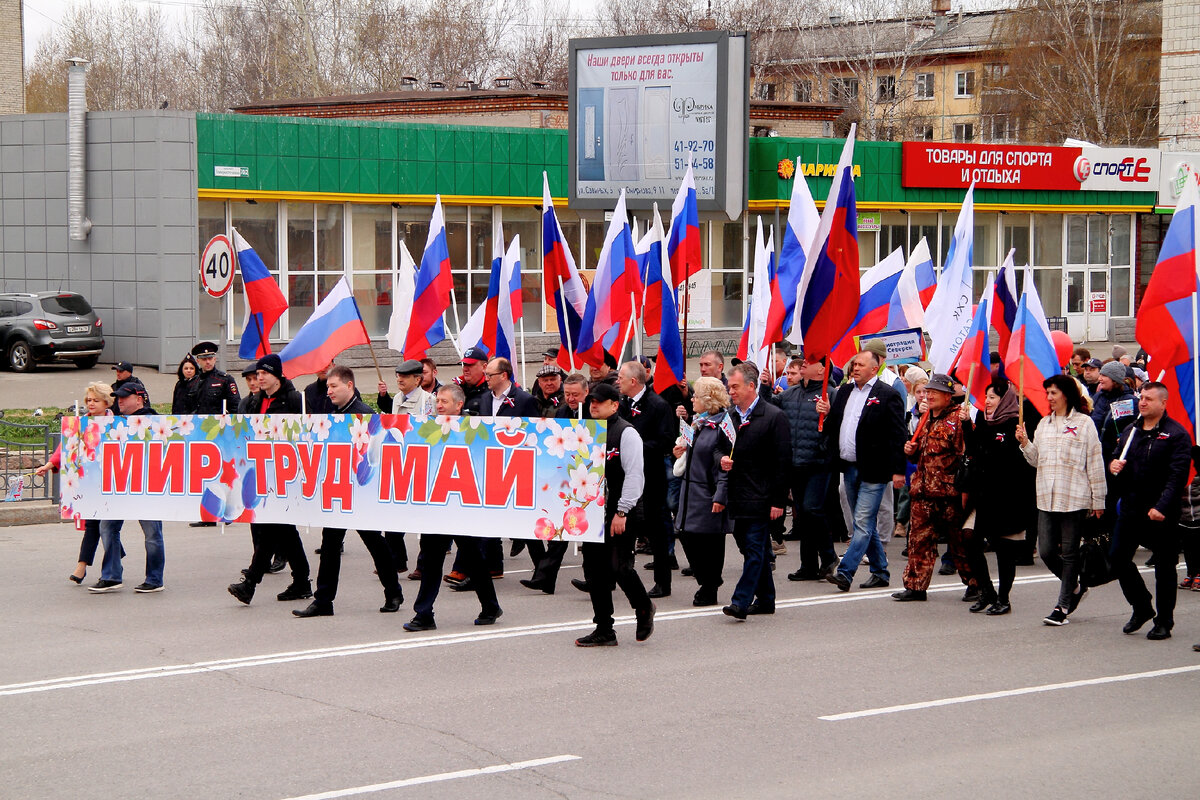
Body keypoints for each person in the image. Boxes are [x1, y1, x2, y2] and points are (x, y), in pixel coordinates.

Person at [293, 365, 404, 618]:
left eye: (334, 386)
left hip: (361, 493)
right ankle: (323, 600)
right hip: (339, 491)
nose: (329, 391)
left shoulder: (364, 415)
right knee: (330, 545)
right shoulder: (332, 414)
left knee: (375, 543)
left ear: (349, 386)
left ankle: (393, 592)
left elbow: (376, 455)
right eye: (328, 387)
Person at [403, 384, 503, 631]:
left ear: (459, 405)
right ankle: (423, 614)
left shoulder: (477, 430)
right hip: (436, 506)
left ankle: (490, 606)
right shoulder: (427, 429)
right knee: (430, 560)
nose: (439, 406)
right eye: (437, 402)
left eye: (444, 402)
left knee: (474, 559)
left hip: (463, 507)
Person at [1016, 374, 1107, 626]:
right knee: (1046, 551)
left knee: (1069, 553)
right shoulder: (1044, 424)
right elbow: (1037, 461)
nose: (1049, 398)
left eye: (1053, 393)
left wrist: (1098, 499)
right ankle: (1076, 587)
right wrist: (1025, 443)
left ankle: (1063, 605)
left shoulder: (1084, 423)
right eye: (1047, 393)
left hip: (1075, 496)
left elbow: (1095, 461)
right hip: (1046, 497)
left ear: (1066, 394)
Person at [227, 354, 314, 606]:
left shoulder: (295, 400)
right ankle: (302, 582)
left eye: (264, 373)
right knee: (285, 531)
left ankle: (250, 583)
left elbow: (309, 433)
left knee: (269, 529)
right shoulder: (255, 402)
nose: (259, 378)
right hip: (262, 474)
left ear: (277, 375)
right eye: (257, 375)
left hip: (287, 475)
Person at [1107, 382, 1191, 640]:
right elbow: (1117, 458)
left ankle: (1164, 621)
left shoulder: (1176, 435)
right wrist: (1114, 467)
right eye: (1141, 397)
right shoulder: (1131, 430)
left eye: (1149, 399)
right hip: (1132, 507)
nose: (1142, 402)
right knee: (1118, 559)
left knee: (1164, 567)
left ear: (1163, 403)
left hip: (1161, 511)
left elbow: (1177, 477)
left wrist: (1162, 507)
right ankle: (1142, 606)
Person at [818, 349, 906, 593]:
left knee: (863, 522)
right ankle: (880, 570)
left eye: (860, 365)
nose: (855, 368)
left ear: (874, 368)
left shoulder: (886, 395)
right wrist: (826, 413)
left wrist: (899, 470)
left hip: (875, 470)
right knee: (862, 523)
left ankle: (845, 572)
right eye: (854, 364)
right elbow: (836, 425)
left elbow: (898, 435)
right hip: (849, 466)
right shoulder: (845, 391)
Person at [574, 382, 656, 646]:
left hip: (620, 511)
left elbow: (635, 475)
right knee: (594, 571)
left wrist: (622, 511)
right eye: (591, 401)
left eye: (599, 401)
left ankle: (643, 607)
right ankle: (604, 629)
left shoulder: (626, 433)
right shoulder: (586, 431)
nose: (593, 405)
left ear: (614, 405)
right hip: (592, 511)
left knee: (619, 567)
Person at [717, 362, 791, 619]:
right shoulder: (731, 415)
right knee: (749, 548)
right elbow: (718, 447)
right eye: (729, 387)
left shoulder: (773, 416)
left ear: (751, 386)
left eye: (735, 386)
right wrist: (721, 459)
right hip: (737, 494)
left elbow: (783, 462)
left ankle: (740, 601)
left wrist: (778, 501)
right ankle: (767, 599)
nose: (731, 391)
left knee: (755, 548)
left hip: (761, 495)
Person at [962, 381, 1036, 615]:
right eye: (986, 397)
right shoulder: (985, 422)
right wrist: (966, 425)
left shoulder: (1018, 423)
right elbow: (973, 451)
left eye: (992, 397)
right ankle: (987, 591)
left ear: (1004, 400)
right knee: (968, 537)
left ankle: (1003, 598)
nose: (988, 401)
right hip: (983, 494)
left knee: (1005, 550)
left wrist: (1022, 441)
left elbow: (1026, 462)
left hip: (1009, 497)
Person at [894, 374, 969, 602]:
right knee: (918, 542)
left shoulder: (958, 420)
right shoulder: (926, 418)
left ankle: (975, 583)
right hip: (923, 491)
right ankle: (915, 587)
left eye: (935, 392)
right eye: (928, 391)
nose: (930, 395)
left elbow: (965, 455)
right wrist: (911, 450)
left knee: (960, 545)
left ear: (948, 397)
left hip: (949, 494)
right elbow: (922, 454)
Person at [35, 381, 118, 585]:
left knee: (102, 526)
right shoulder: (80, 423)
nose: (90, 403)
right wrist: (48, 465)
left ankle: (87, 566)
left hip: (113, 483)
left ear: (106, 402)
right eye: (88, 400)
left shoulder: (119, 424)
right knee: (96, 525)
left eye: (95, 400)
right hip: (88, 483)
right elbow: (65, 447)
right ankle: (86, 566)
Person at [91, 382, 165, 593]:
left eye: (124, 397)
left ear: (139, 399)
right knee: (107, 527)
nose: (119, 401)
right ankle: (112, 576)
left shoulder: (154, 421)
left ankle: (154, 579)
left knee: (152, 533)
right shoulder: (114, 422)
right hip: (120, 485)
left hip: (147, 486)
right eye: (118, 397)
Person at [773, 357, 838, 582]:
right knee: (803, 515)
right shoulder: (791, 394)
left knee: (812, 509)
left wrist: (829, 413)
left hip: (818, 462)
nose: (802, 364)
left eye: (809, 361)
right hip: (795, 462)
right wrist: (761, 385)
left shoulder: (831, 393)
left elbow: (839, 426)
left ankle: (829, 557)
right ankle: (808, 566)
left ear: (821, 369)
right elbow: (769, 406)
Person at [617, 360, 677, 597]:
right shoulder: (622, 403)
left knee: (656, 528)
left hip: (650, 475)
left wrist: (635, 447)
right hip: (625, 475)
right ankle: (614, 576)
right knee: (623, 528)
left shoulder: (657, 405)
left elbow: (666, 440)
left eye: (621, 377)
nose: (617, 381)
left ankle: (663, 582)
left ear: (633, 381)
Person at [672, 377, 732, 606]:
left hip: (709, 491)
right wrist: (680, 450)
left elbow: (725, 463)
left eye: (696, 396)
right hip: (690, 490)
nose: (693, 399)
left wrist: (720, 495)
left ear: (708, 400)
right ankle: (708, 581)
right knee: (687, 535)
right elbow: (689, 449)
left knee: (711, 542)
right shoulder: (698, 422)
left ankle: (709, 586)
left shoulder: (723, 426)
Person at [470, 356, 539, 417]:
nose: (486, 379)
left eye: (490, 375)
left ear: (503, 376)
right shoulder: (485, 398)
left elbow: (532, 428)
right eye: (485, 375)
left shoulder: (525, 400)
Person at [190, 341, 241, 414]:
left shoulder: (225, 379)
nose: (208, 362)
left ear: (215, 359)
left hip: (218, 423)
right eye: (204, 359)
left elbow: (235, 405)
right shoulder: (193, 381)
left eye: (210, 358)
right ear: (198, 361)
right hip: (197, 422)